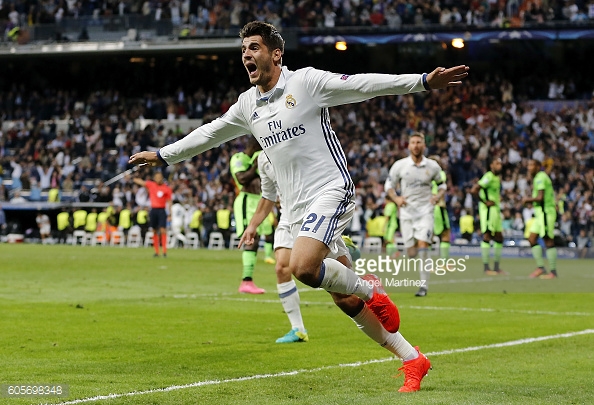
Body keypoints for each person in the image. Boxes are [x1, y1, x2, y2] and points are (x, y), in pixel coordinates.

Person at [130, 20, 468, 392]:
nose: (246, 55)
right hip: (295, 208)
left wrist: (420, 81)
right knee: (342, 296)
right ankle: (412, 359)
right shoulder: (247, 105)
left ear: (276, 54)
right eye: (243, 50)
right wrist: (163, 155)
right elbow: (210, 132)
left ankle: (373, 289)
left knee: (302, 267)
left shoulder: (305, 83)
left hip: (330, 189)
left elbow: (362, 85)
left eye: (254, 47)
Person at [385, 133, 447, 298]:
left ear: (423, 145)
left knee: (423, 247)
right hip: (406, 212)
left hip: (425, 211)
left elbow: (443, 184)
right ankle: (417, 249)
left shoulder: (432, 166)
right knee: (412, 252)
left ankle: (423, 286)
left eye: (419, 142)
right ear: (409, 146)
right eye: (413, 142)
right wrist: (396, 198)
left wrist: (437, 196)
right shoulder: (400, 166)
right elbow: (389, 185)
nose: (416, 145)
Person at [229, 137, 267, 294]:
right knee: (250, 238)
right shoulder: (239, 158)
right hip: (246, 201)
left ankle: (248, 281)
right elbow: (242, 179)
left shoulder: (261, 158)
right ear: (254, 145)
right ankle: (246, 281)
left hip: (259, 200)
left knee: (258, 238)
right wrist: (255, 166)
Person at [471, 157, 507, 275]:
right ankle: (486, 268)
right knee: (487, 236)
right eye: (497, 163)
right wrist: (484, 202)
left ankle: (496, 267)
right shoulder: (488, 176)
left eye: (500, 164)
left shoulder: (496, 178)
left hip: (496, 210)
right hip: (488, 211)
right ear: (491, 165)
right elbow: (474, 190)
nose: (499, 166)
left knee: (499, 237)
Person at [523, 158, 558, 279]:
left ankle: (553, 272)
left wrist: (527, 200)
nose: (529, 167)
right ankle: (540, 268)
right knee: (532, 238)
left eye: (532, 165)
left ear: (538, 166)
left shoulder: (540, 177)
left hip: (546, 212)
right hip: (539, 214)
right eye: (528, 165)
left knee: (548, 239)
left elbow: (541, 197)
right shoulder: (538, 177)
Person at [134, 171, 172, 257]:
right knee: (154, 230)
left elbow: (169, 202)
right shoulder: (151, 185)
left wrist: (170, 214)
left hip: (162, 210)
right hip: (153, 210)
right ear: (154, 178)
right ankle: (157, 252)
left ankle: (165, 251)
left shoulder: (166, 188)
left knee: (163, 230)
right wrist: (134, 175)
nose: (158, 179)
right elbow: (138, 181)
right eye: (157, 177)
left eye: (160, 177)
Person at [429, 156, 451, 263]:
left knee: (428, 235)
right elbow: (441, 189)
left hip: (428, 207)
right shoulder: (440, 174)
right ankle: (444, 262)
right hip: (438, 207)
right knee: (445, 233)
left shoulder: (425, 175)